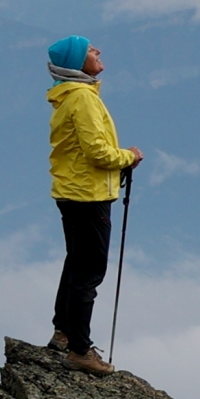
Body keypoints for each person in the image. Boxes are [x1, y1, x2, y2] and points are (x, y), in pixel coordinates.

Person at [46, 35, 143, 374]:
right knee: (89, 271)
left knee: (76, 262)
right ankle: (79, 350)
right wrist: (128, 157)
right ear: (76, 63)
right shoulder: (83, 99)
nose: (98, 50)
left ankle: (63, 332)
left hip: (72, 191)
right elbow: (98, 153)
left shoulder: (69, 97)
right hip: (89, 195)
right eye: (89, 49)